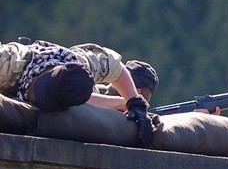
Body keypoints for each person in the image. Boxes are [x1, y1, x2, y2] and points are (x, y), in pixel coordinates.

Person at [0, 38, 151, 143]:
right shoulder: (8, 64)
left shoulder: (79, 63)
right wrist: (121, 102)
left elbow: (113, 65)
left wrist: (133, 102)